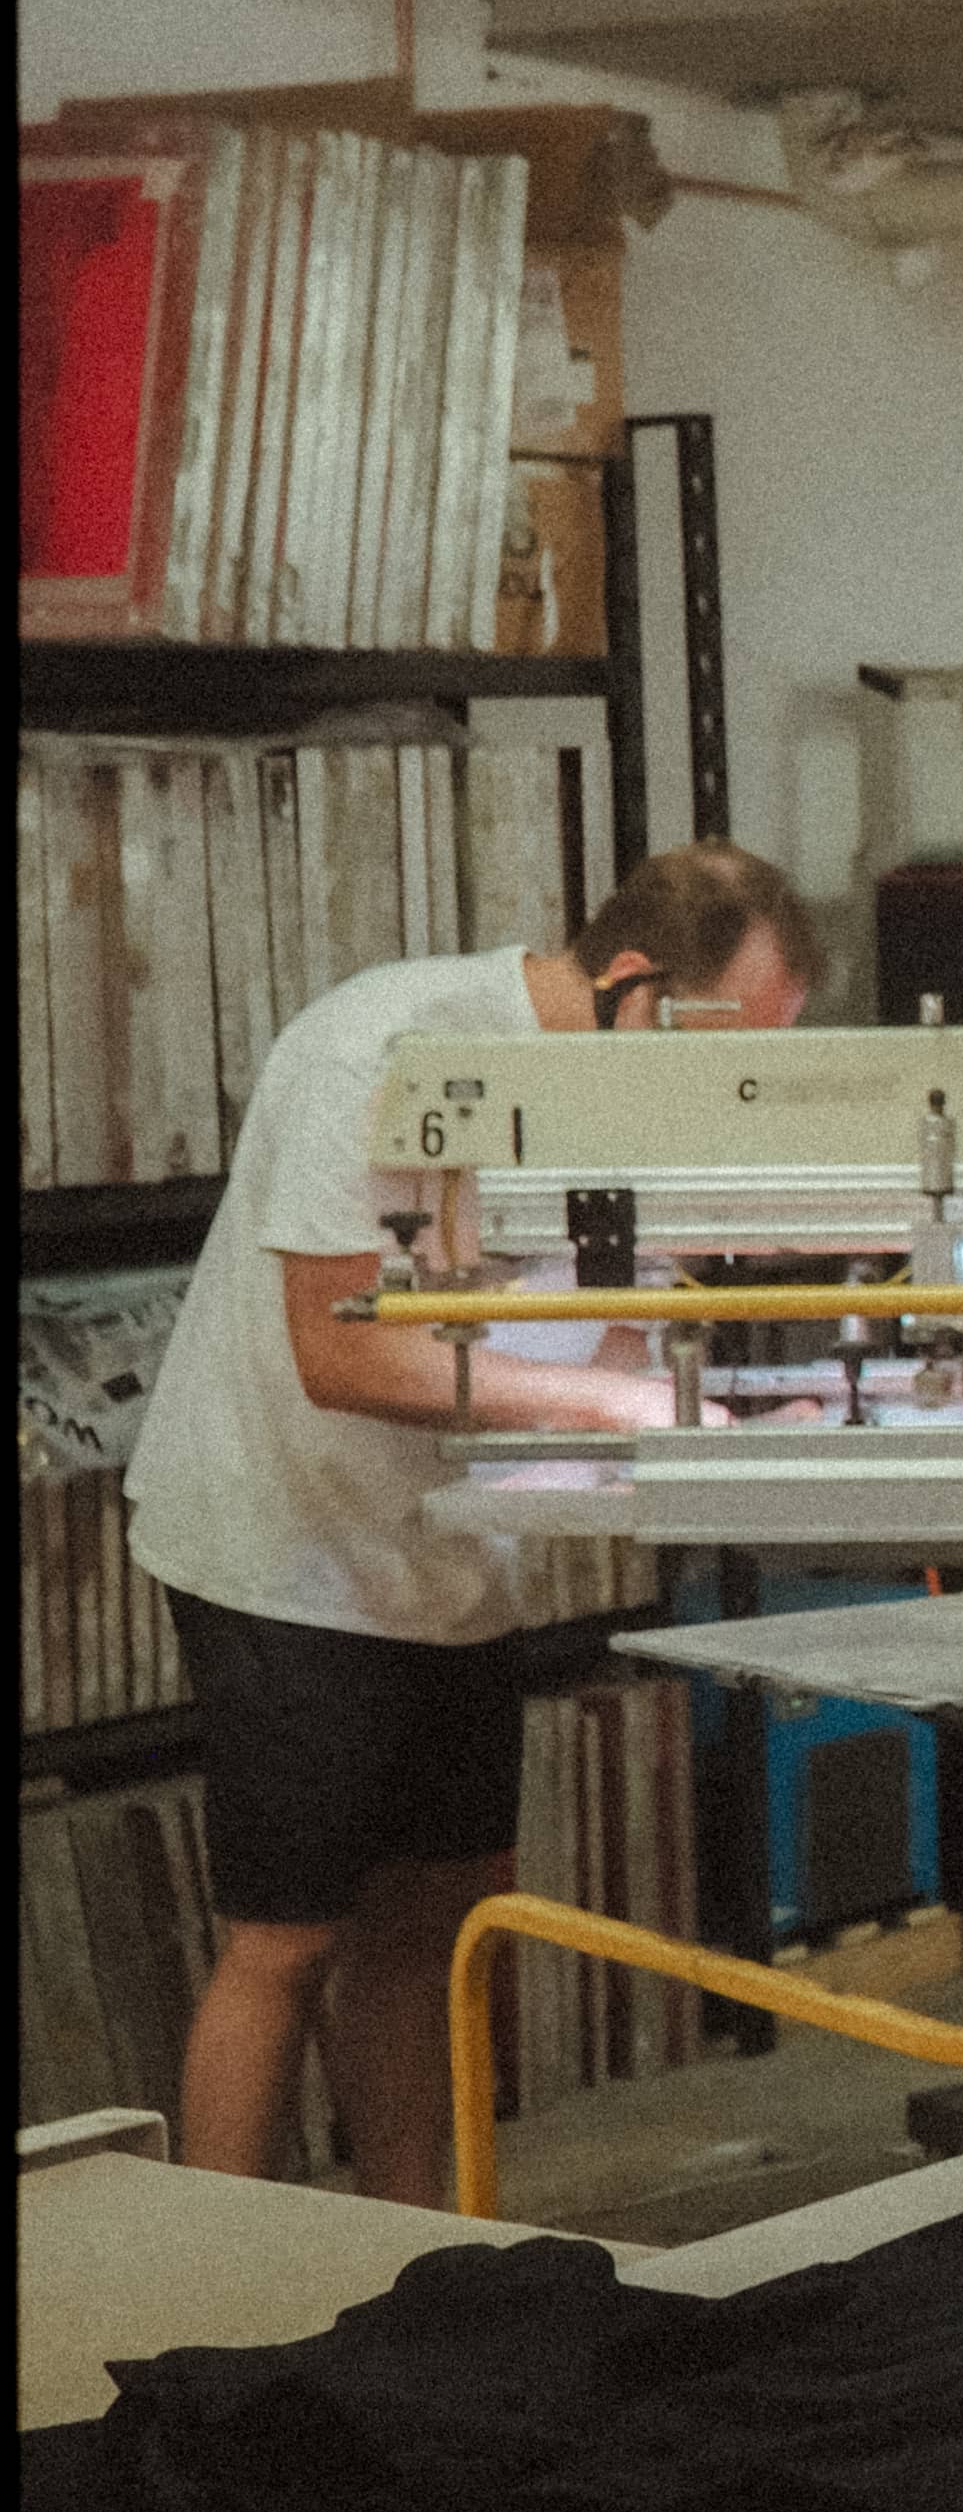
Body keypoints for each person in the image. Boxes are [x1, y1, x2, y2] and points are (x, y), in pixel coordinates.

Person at [127, 842, 820, 2205]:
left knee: (431, 1917)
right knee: (285, 1937)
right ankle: (212, 2280)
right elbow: (348, 1357)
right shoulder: (382, 1048)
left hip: (451, 1552)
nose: (721, 1091)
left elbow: (619, 1351)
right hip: (287, 1542)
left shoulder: (634, 1090)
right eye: (720, 1050)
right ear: (632, 984)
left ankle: (399, 2247)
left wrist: (709, 1383)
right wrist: (613, 1407)